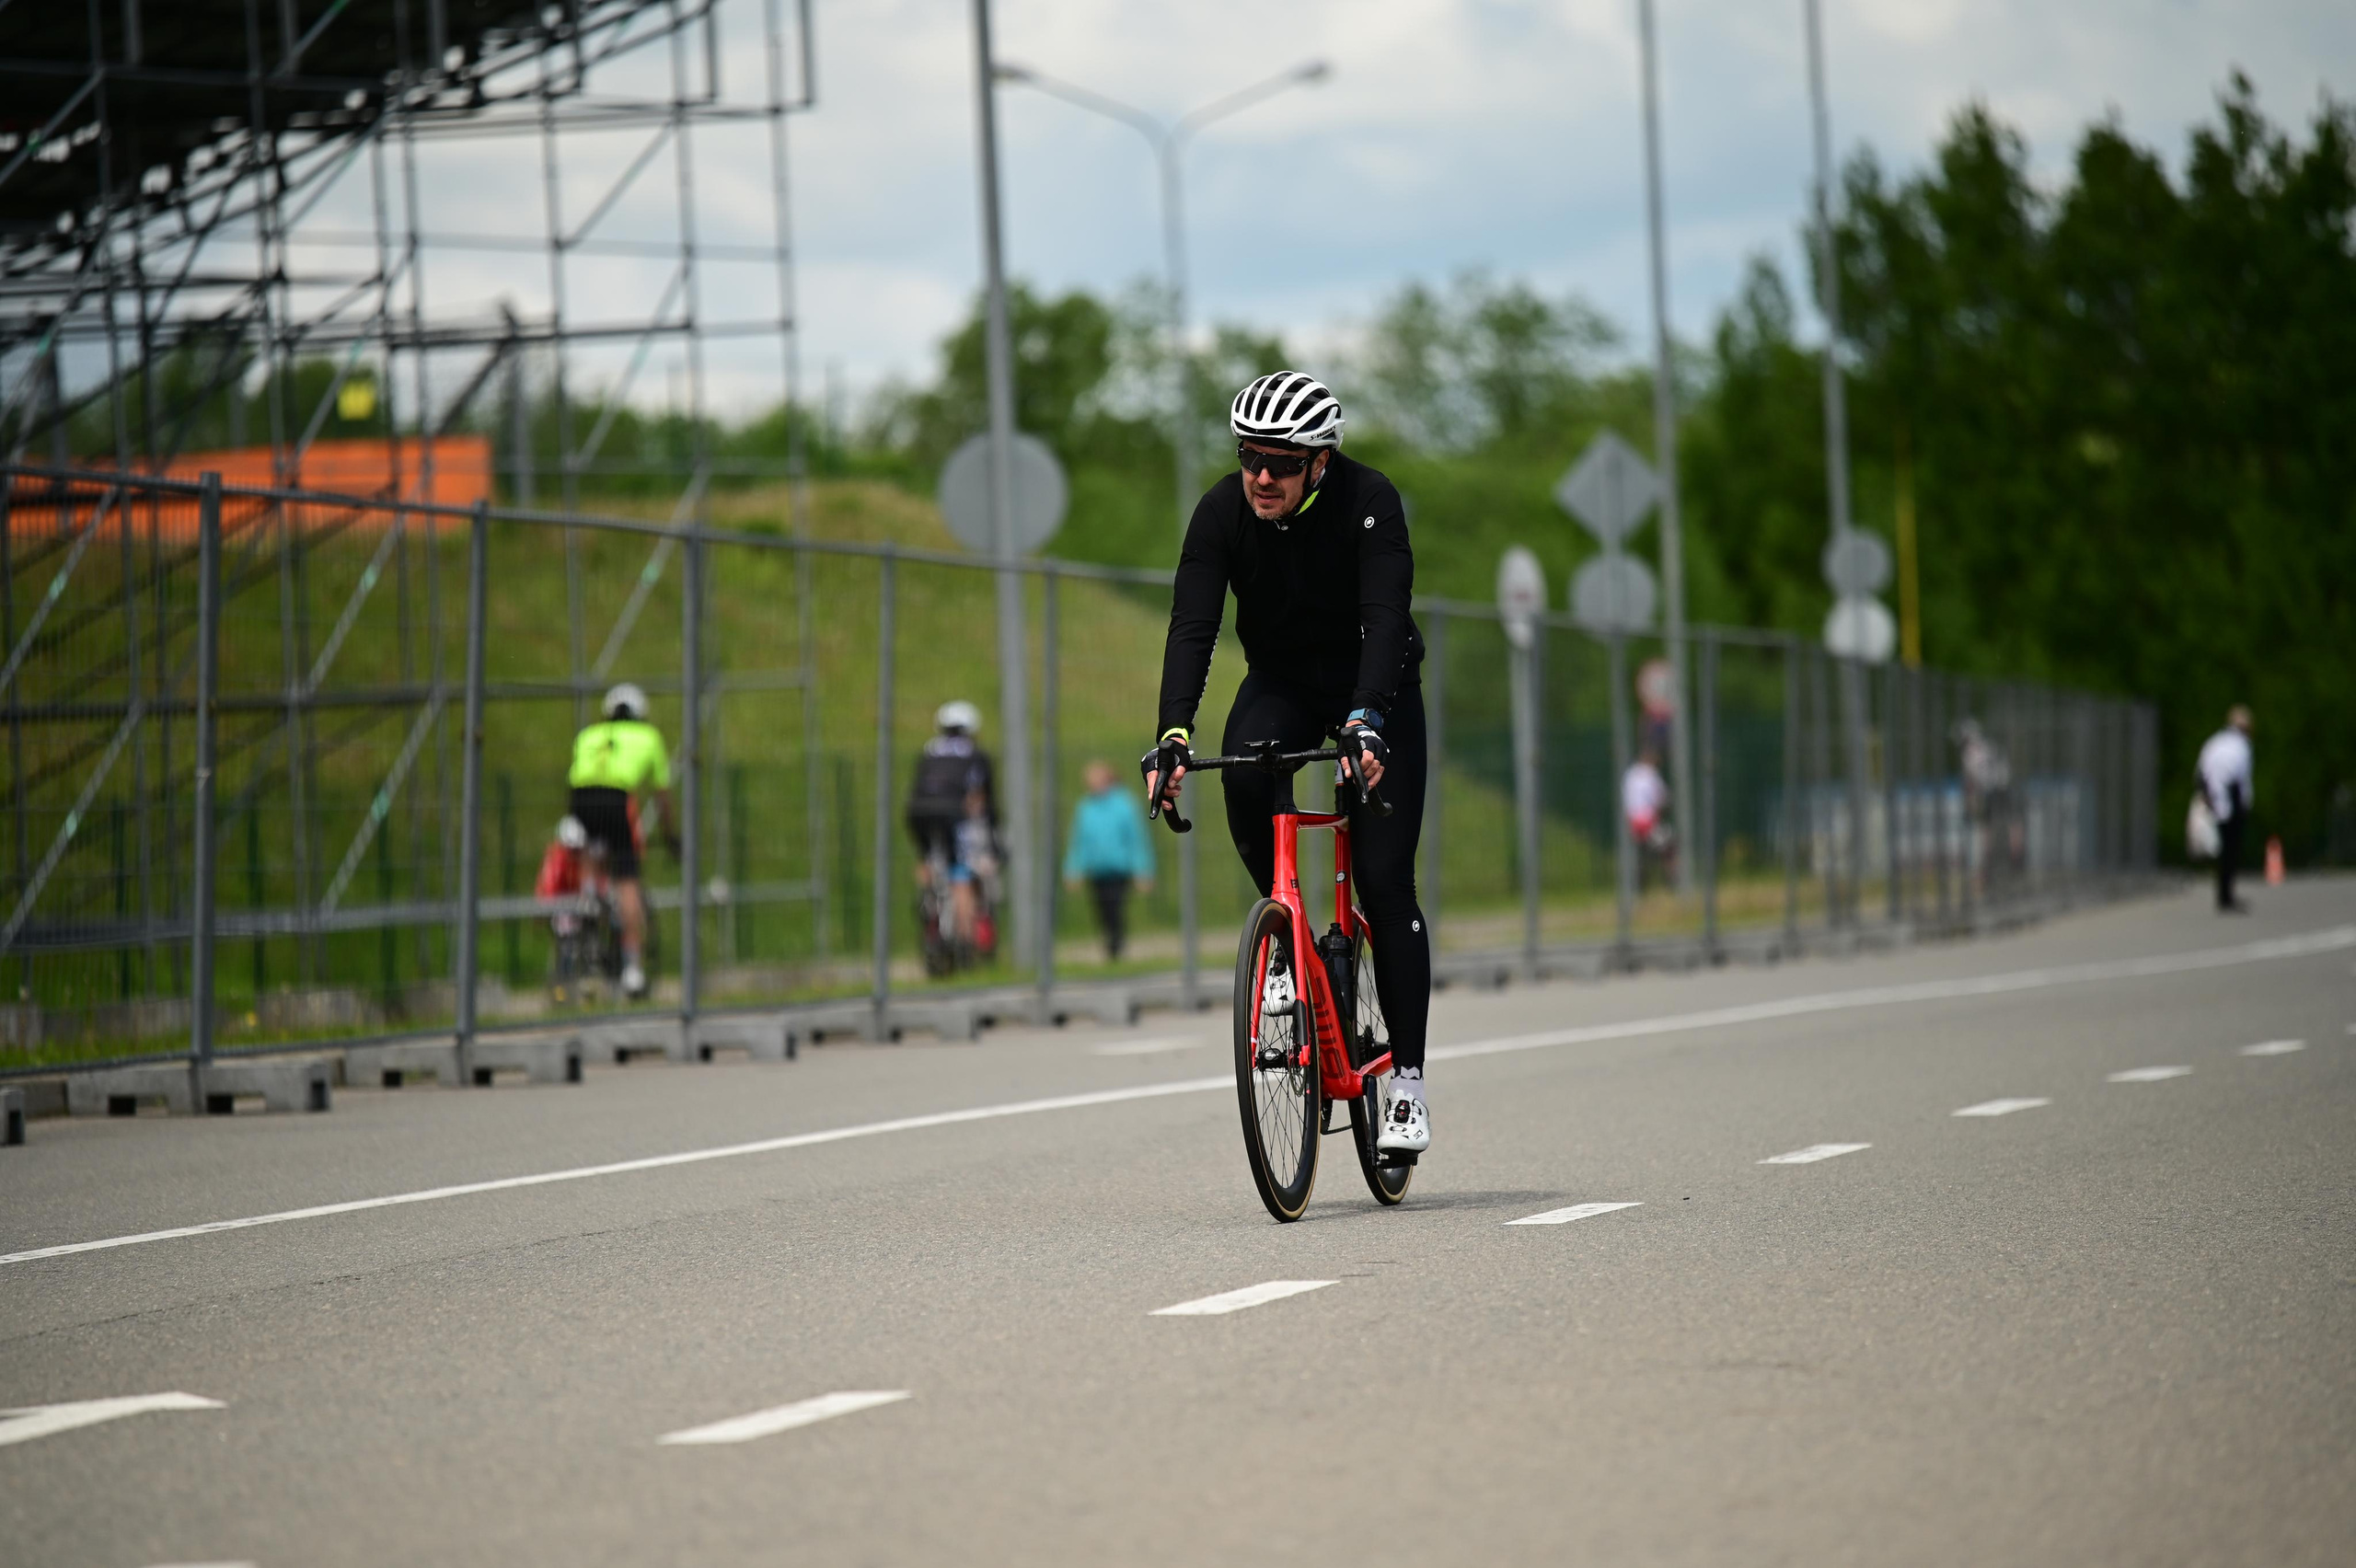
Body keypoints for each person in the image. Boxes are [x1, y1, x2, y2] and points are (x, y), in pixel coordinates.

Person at [1144, 371, 1434, 1155]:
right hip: (1282, 683)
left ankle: (1404, 1081)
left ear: (1320, 462)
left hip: (1378, 689)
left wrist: (1367, 721)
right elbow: (1192, 628)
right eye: (1249, 458)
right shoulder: (1220, 512)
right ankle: (1285, 944)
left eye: (1280, 460)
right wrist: (1172, 736)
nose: (1261, 476)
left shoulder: (1370, 501)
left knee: (1382, 878)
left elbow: (1384, 617)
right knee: (1242, 767)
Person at [567, 684, 678, 999]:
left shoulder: (589, 735)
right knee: (627, 877)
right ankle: (632, 968)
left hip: (579, 799)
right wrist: (670, 836)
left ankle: (588, 898)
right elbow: (662, 797)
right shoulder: (649, 737)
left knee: (591, 850)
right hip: (615, 799)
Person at [907, 700, 998, 949]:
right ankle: (964, 938)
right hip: (951, 812)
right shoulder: (974, 754)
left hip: (917, 812)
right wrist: (992, 833)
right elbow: (985, 798)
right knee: (960, 872)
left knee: (928, 859)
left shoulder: (929, 751)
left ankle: (928, 901)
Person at [1063, 759, 1156, 961]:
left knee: (1115, 908)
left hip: (1118, 869)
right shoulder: (1086, 808)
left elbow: (1136, 839)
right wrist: (1073, 869)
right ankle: (1110, 942)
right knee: (1102, 910)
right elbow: (1079, 842)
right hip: (1097, 870)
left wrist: (1142, 869)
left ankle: (1115, 945)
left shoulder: (1124, 805)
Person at [2197, 705, 2255, 913]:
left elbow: (2201, 772)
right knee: (2231, 851)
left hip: (2213, 799)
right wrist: (2244, 806)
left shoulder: (2215, 742)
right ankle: (2226, 896)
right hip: (2231, 799)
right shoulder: (2241, 746)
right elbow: (2243, 780)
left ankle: (2223, 894)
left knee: (2223, 850)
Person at [1622, 749, 1675, 890]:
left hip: (1634, 822)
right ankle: (1671, 880)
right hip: (1649, 822)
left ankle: (1641, 880)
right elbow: (1661, 799)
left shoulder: (1630, 774)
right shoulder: (1651, 774)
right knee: (1668, 848)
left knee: (1645, 852)